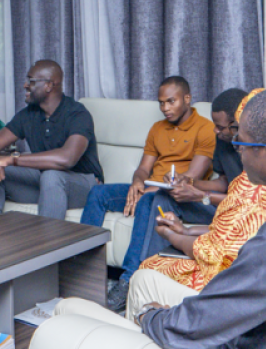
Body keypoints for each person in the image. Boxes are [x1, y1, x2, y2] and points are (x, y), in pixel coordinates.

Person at [57, 87, 266, 348]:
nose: (236, 150)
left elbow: (191, 327)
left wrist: (149, 316)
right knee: (144, 280)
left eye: (241, 143)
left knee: (64, 312)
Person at [80, 76, 216, 311]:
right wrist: (136, 184)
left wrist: (150, 189)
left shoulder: (205, 128)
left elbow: (190, 178)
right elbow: (144, 168)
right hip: (153, 188)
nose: (165, 108)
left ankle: (127, 281)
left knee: (149, 200)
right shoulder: (157, 128)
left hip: (180, 196)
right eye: (161, 103)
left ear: (187, 99)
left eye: (171, 102)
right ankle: (81, 270)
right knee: (99, 194)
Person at [138, 88, 266, 292]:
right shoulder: (224, 141)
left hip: (235, 215)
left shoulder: (257, 155)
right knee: (161, 197)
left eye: (221, 127)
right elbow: (224, 182)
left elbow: (244, 206)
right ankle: (134, 274)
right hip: (227, 209)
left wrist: (201, 197)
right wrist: (189, 182)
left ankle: (143, 277)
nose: (215, 131)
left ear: (237, 125)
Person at [0, 60, 104, 220]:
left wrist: (10, 160)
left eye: (31, 81)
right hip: (47, 183)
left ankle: (49, 244)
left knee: (52, 175)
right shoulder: (29, 114)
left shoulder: (78, 114)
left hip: (84, 186)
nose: (25, 85)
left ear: (49, 86)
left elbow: (67, 159)